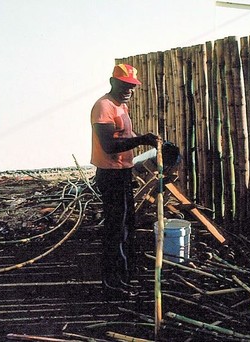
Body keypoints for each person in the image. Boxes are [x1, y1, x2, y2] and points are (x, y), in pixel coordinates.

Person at [91, 63, 161, 299]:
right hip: (110, 174)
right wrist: (143, 140)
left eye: (132, 86)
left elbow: (124, 138)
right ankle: (113, 281)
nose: (129, 90)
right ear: (113, 83)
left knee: (127, 225)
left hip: (122, 172)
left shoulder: (121, 107)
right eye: (125, 85)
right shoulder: (104, 107)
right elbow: (109, 146)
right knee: (116, 229)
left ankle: (125, 273)